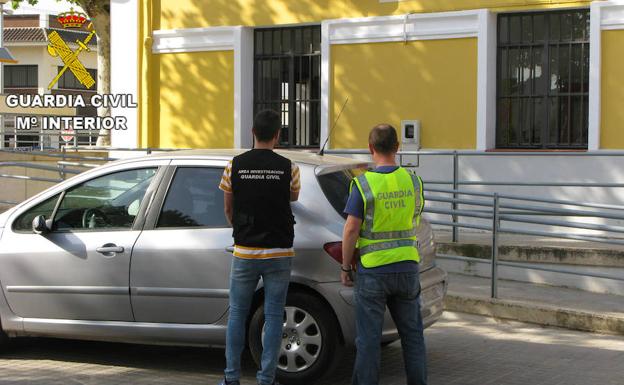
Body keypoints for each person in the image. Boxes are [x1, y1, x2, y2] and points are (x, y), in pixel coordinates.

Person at [218, 109, 301, 385]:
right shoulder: (290, 167)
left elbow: (228, 207)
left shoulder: (234, 165)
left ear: (252, 132)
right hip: (279, 252)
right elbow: (293, 196)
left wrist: (241, 230)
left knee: (237, 314)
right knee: (275, 315)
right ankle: (266, 379)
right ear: (277, 135)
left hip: (245, 251)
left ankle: (231, 378)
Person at [341, 124, 427, 385]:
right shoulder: (413, 180)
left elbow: (351, 229)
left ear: (370, 148)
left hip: (373, 271)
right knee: (413, 337)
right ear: (397, 147)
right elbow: (415, 217)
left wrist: (346, 267)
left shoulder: (364, 183)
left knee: (368, 340)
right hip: (407, 268)